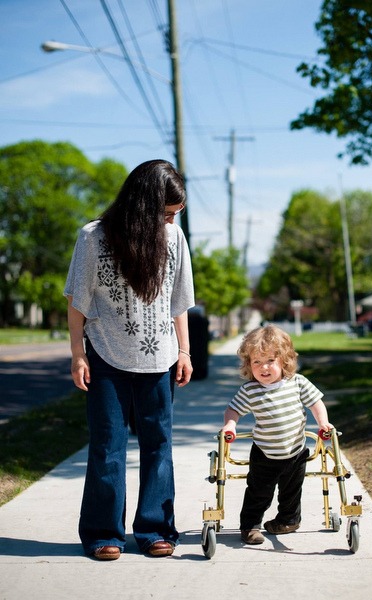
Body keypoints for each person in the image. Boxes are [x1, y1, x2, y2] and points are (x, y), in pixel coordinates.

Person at [64, 159, 195, 560]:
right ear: (144, 205)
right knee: (108, 446)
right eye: (168, 213)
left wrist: (185, 350)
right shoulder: (93, 238)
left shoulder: (173, 238)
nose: (173, 220)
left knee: (159, 445)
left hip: (160, 360)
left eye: (176, 214)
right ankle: (104, 533)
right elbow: (77, 301)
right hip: (105, 356)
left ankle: (155, 529)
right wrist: (77, 352)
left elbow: (179, 301)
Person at [223, 324, 333, 545]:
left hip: (295, 451)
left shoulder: (297, 383)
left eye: (270, 361)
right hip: (264, 453)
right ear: (248, 364)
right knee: (258, 493)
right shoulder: (250, 390)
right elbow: (233, 409)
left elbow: (316, 403)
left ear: (284, 360)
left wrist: (324, 423)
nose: (264, 367)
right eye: (257, 362)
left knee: (291, 491)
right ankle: (251, 526)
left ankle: (288, 520)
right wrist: (230, 425)